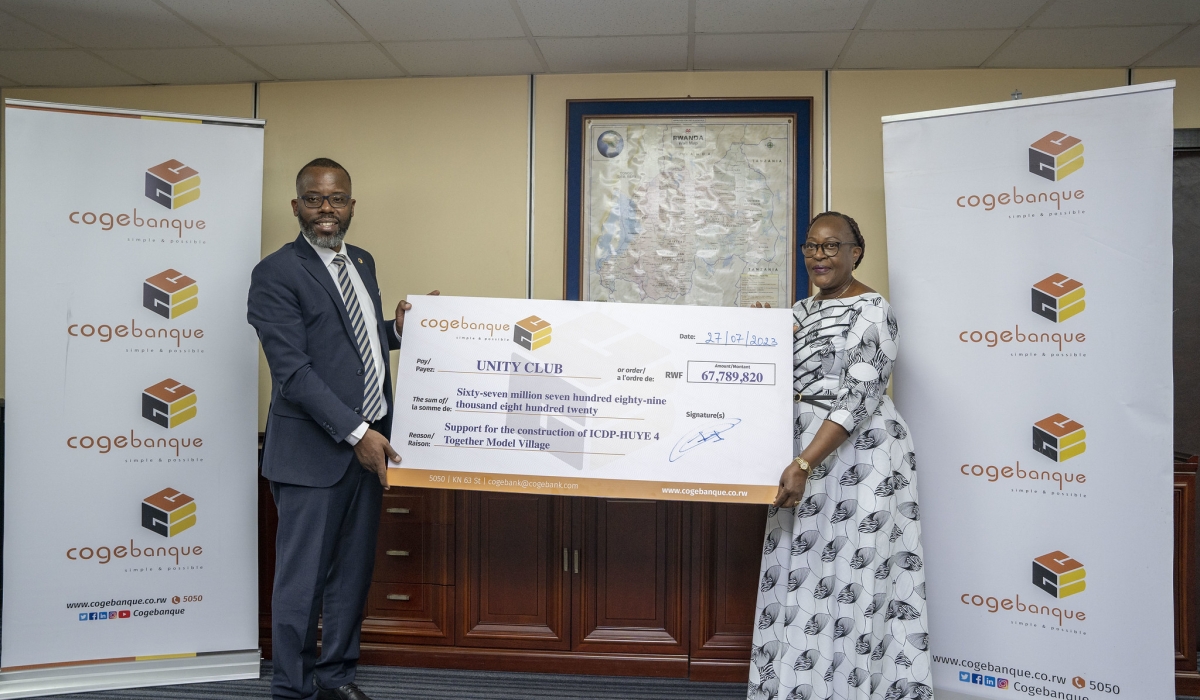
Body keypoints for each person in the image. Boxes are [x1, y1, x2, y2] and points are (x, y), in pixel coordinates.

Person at [248, 158, 436, 700]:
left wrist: (394, 331)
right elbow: (294, 372)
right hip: (315, 452)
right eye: (314, 199)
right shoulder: (276, 272)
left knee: (352, 577)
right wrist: (358, 432)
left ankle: (336, 678)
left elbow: (352, 345)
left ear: (351, 204)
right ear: (296, 206)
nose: (326, 209)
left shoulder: (362, 261)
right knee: (302, 582)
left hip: (371, 445)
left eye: (336, 199)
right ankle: (293, 687)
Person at [747, 213, 931, 700]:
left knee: (852, 572)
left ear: (857, 252)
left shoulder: (874, 310)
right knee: (801, 567)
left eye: (832, 246)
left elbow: (859, 396)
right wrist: (756, 336)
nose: (819, 256)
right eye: (811, 246)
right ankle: (799, 688)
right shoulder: (800, 310)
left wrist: (804, 462)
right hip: (802, 452)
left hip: (859, 457)